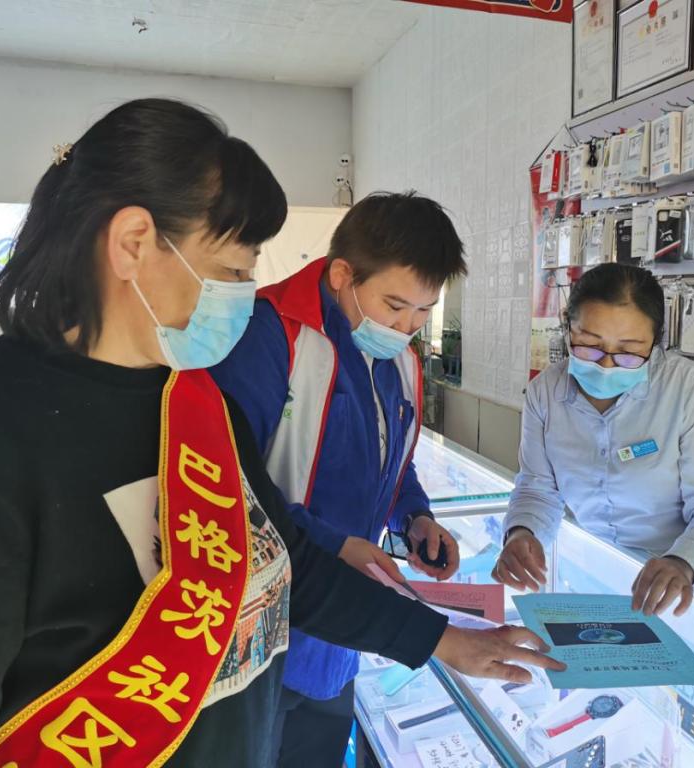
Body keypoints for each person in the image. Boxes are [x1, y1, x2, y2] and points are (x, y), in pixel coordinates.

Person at [0, 99, 563, 767]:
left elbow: (287, 559)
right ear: (133, 244)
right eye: (231, 271)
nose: (244, 294)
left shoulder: (194, 402)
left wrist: (444, 640)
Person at [210, 191, 467, 767]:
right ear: (342, 275)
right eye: (394, 305)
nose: (406, 327)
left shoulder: (398, 358)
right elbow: (229, 488)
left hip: (343, 632)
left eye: (423, 312)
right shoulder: (269, 335)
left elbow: (389, 460)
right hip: (264, 629)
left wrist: (414, 517)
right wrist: (335, 544)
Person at [493, 263, 694, 617]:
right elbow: (538, 488)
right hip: (604, 575)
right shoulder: (545, 393)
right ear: (568, 327)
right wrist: (522, 533)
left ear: (656, 342)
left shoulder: (689, 389)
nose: (606, 365)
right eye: (589, 345)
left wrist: (682, 563)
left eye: (629, 352)